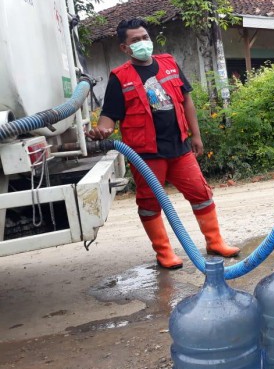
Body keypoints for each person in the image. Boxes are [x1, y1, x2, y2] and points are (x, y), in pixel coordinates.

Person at [87, 18, 240, 269]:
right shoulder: (120, 77)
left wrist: (196, 135)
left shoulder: (169, 64)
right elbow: (109, 118)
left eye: (145, 37)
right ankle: (164, 252)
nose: (143, 43)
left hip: (179, 148)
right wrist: (101, 131)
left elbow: (186, 101)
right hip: (146, 154)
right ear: (124, 48)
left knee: (201, 194)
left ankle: (215, 242)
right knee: (149, 203)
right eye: (135, 40)